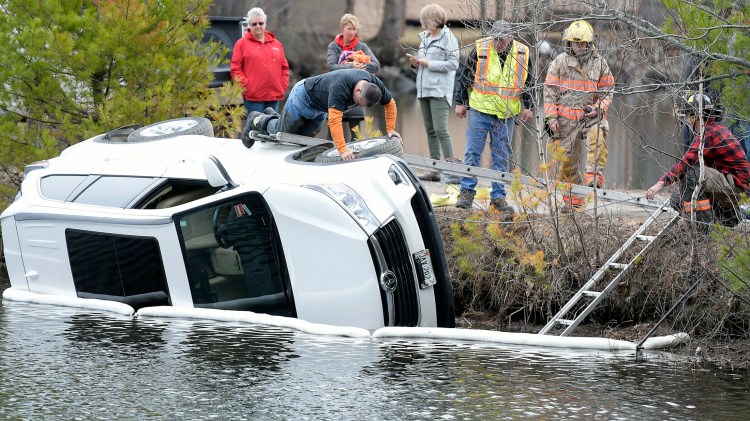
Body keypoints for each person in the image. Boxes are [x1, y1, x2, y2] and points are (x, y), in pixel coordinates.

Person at [453, 20, 534, 212]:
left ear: (510, 38)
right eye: (495, 39)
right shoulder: (481, 49)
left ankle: (498, 198)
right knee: (472, 153)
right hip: (480, 110)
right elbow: (465, 76)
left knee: (501, 157)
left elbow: (530, 82)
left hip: (506, 115)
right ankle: (466, 192)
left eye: (502, 40)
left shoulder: (522, 53)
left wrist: (529, 106)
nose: (498, 43)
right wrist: (460, 102)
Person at [242, 69, 401, 161]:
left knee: (303, 140)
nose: (358, 105)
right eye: (359, 101)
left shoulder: (373, 84)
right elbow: (334, 121)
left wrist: (391, 129)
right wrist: (343, 150)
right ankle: (257, 118)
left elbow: (390, 103)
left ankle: (272, 115)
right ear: (359, 90)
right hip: (303, 97)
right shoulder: (341, 86)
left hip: (320, 108)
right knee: (284, 133)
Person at [645, 93, 750, 232]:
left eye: (688, 115)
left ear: (695, 115)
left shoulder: (709, 133)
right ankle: (730, 217)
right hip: (730, 186)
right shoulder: (714, 129)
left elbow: (686, 163)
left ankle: (701, 230)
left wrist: (660, 183)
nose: (687, 120)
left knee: (692, 173)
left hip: (738, 187)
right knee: (677, 199)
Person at [543, 20, 614, 212]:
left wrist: (599, 107)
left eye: (582, 43)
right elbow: (549, 91)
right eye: (575, 43)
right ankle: (574, 201)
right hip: (565, 119)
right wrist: (551, 118)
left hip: (590, 115)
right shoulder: (559, 62)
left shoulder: (599, 63)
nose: (578, 47)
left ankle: (593, 179)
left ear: (589, 43)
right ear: (569, 43)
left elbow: (608, 90)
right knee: (565, 160)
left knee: (597, 138)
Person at [408, 4, 460, 182]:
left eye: (424, 18)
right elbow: (423, 65)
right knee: (430, 130)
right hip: (423, 90)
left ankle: (452, 170)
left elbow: (453, 64)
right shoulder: (425, 38)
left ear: (432, 19)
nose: (421, 22)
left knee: (441, 130)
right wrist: (416, 64)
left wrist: (427, 63)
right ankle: (435, 170)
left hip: (439, 90)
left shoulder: (448, 38)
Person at [326, 13, 380, 141]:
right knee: (331, 136)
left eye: (354, 29)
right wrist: (350, 67)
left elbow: (376, 65)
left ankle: (354, 159)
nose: (352, 32)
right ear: (342, 29)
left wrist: (360, 66)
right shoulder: (333, 46)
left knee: (356, 138)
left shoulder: (362, 47)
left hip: (357, 97)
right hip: (337, 94)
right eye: (349, 28)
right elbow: (331, 67)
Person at [230, 7, 290, 116]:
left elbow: (284, 67)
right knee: (254, 130)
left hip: (274, 97)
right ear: (249, 25)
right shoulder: (241, 44)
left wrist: (282, 85)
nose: (258, 26)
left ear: (265, 24)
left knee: (271, 130)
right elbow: (235, 68)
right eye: (254, 24)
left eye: (260, 23)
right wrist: (247, 86)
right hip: (253, 99)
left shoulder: (276, 44)